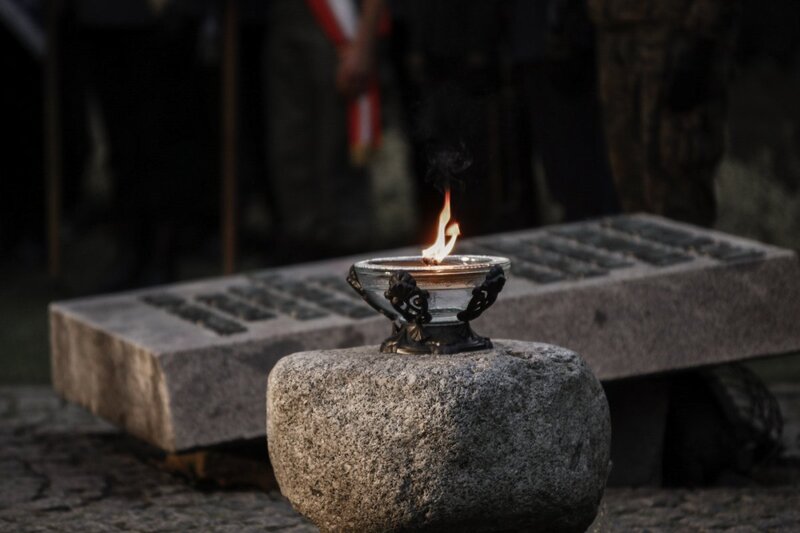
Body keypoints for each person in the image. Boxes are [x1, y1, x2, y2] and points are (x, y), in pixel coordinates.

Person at [265, 0, 387, 260]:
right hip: (287, 23)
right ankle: (304, 249)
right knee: (292, 149)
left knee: (336, 153)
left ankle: (350, 254)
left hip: (334, 29)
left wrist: (363, 44)